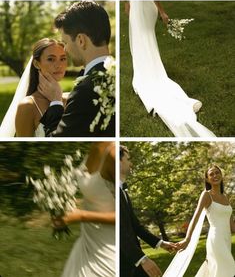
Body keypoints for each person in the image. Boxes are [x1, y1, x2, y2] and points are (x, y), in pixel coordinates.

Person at [126, 0, 216, 137]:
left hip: (142, 7)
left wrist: (162, 11)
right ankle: (147, 68)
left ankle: (147, 70)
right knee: (143, 39)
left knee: (144, 39)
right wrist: (128, 3)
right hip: (138, 6)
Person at [39, 1, 115, 137]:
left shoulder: (86, 90)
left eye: (66, 42)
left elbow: (56, 140)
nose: (65, 49)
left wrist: (56, 101)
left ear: (81, 40)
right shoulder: (116, 73)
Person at [53, 141, 115, 277]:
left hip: (108, 254)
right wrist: (63, 205)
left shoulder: (113, 154)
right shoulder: (96, 143)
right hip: (86, 245)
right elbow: (98, 193)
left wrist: (81, 216)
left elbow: (124, 214)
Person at [164, 165, 235, 276]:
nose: (215, 175)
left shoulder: (226, 197)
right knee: (227, 269)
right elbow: (195, 218)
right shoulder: (207, 195)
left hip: (226, 240)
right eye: (211, 174)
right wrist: (187, 240)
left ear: (221, 175)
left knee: (219, 271)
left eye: (217, 173)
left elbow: (232, 227)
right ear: (207, 179)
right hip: (216, 239)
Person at [120, 145, 176, 277]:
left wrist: (161, 243)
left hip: (132, 260)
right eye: (128, 159)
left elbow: (135, 226)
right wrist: (142, 259)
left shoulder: (123, 192)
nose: (131, 163)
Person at [0, 38, 67, 137]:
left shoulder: (71, 99)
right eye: (51, 59)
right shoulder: (28, 106)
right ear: (36, 63)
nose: (58, 65)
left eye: (62, 59)